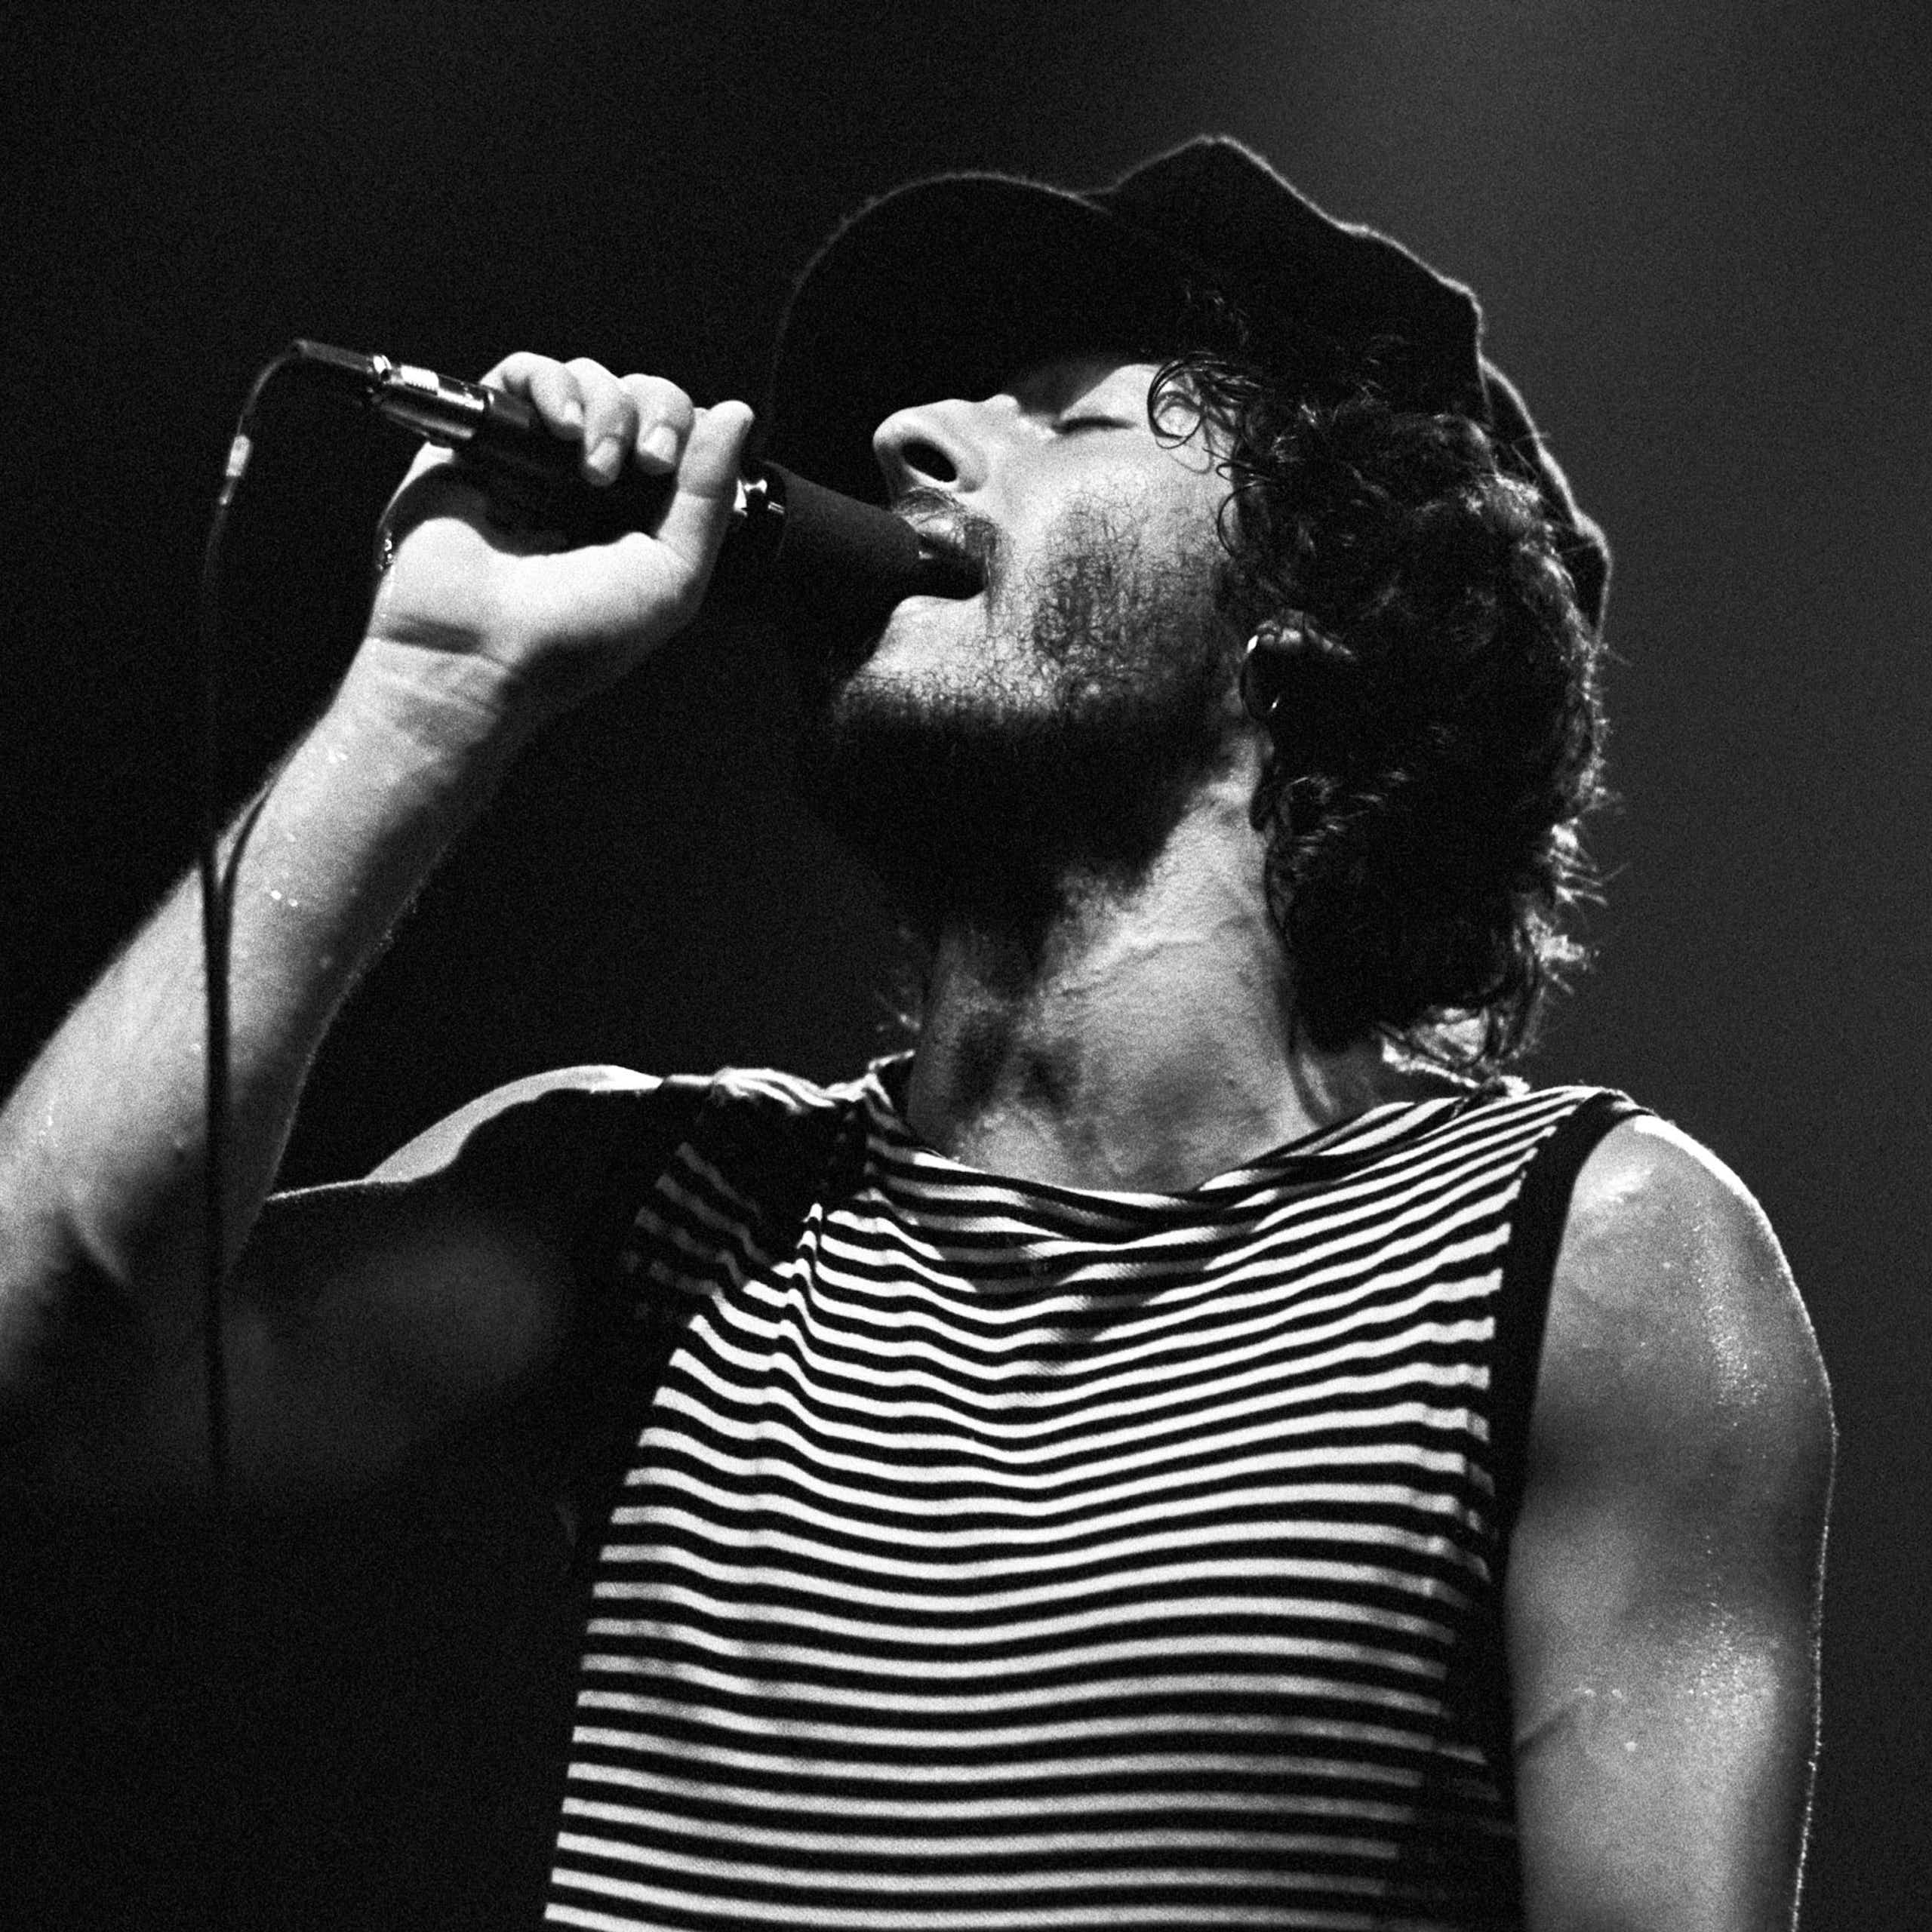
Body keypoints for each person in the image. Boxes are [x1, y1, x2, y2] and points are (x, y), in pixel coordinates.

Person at [0, 137, 1832, 1930]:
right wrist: (426, 692)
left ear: (1317, 614)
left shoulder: (1587, 1263)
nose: (905, 439)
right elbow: (46, 1354)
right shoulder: (646, 1206)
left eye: (1066, 410)